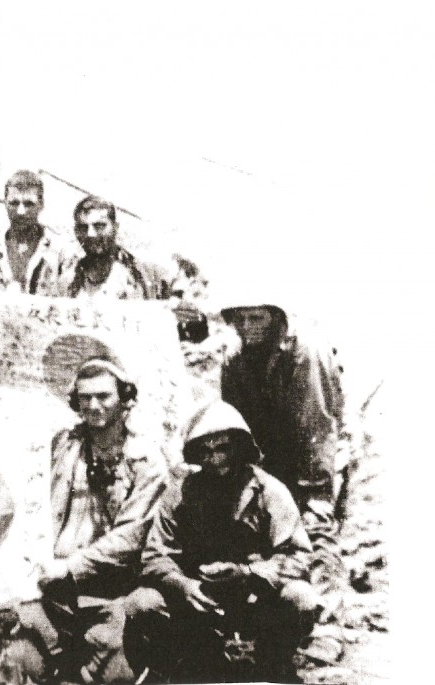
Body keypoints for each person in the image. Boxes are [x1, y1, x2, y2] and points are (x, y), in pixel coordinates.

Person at [123, 400, 321, 683]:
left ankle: (273, 664)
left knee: (301, 597)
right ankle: (178, 666)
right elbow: (154, 556)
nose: (214, 460)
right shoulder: (180, 495)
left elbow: (298, 556)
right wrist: (184, 585)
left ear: (240, 447)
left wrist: (247, 573)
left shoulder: (270, 492)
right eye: (205, 451)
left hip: (256, 600)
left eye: (223, 448)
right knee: (143, 602)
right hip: (199, 601)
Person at [16, 345, 168, 684]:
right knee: (21, 662)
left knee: (113, 676)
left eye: (103, 396)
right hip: (52, 587)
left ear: (124, 398)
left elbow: (131, 538)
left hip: (111, 589)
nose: (93, 406)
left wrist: (71, 568)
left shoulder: (146, 460)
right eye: (85, 398)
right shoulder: (63, 446)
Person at [220, 301, 347, 518]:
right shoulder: (235, 359)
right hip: (273, 456)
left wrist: (315, 493)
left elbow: (317, 427)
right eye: (239, 319)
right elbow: (236, 426)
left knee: (315, 528)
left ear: (276, 317)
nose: (246, 326)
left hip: (317, 454)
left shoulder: (306, 351)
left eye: (256, 318)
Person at [34, 195, 206, 340]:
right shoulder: (66, 281)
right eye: (83, 227)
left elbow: (194, 314)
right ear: (76, 232)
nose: (91, 234)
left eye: (99, 226)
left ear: (115, 228)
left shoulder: (145, 276)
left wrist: (185, 311)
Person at [0, 170, 62, 293]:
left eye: (29, 204)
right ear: (5, 203)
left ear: (41, 204)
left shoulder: (59, 250)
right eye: (14, 203)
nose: (21, 211)